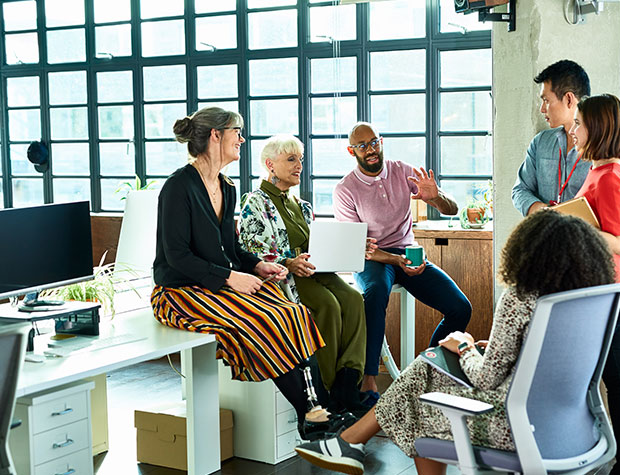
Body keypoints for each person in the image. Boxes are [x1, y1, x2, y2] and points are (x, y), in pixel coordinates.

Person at [294, 210, 617, 475]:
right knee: (427, 366)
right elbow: (546, 358)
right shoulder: (585, 301)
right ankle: (350, 443)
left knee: (420, 403)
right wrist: (491, 348)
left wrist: (464, 347)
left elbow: (486, 378)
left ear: (529, 252)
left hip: (513, 429)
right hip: (575, 428)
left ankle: (349, 442)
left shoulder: (520, 298)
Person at [151, 107, 346, 440]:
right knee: (265, 319)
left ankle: (318, 411)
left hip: (217, 284)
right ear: (216, 135)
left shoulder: (226, 187)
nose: (242, 139)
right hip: (179, 291)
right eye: (237, 132)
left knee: (294, 312)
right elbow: (177, 257)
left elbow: (231, 249)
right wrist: (231, 278)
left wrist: (256, 265)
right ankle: (313, 416)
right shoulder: (178, 187)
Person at [239, 134, 374, 415]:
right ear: (270, 165)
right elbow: (251, 250)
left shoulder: (301, 205)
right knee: (328, 305)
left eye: (300, 159)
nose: (299, 165)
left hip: (315, 270)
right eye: (291, 160)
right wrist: (289, 262)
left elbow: (318, 244)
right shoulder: (255, 202)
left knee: (353, 298)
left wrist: (351, 248)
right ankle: (325, 391)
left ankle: (348, 385)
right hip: (287, 276)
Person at [333, 121, 472, 396]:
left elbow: (452, 209)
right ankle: (369, 380)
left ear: (381, 142)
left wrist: (436, 197)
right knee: (374, 295)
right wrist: (396, 262)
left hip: (406, 251)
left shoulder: (403, 171)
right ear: (352, 152)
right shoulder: (345, 190)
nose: (370, 150)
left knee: (460, 307)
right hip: (372, 259)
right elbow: (359, 248)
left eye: (374, 142)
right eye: (362, 146)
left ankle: (427, 370)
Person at [570, 94, 620, 474]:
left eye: (579, 124)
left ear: (597, 128)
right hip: (611, 290)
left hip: (610, 294)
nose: (573, 130)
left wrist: (572, 225)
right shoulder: (608, 170)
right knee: (612, 377)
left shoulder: (611, 175)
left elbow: (618, 241)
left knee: (615, 378)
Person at [512, 59, 592, 216]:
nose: (542, 109)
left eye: (546, 100)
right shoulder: (540, 142)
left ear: (569, 99)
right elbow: (520, 190)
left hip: (584, 238)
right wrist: (542, 211)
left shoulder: (605, 149)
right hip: (544, 236)